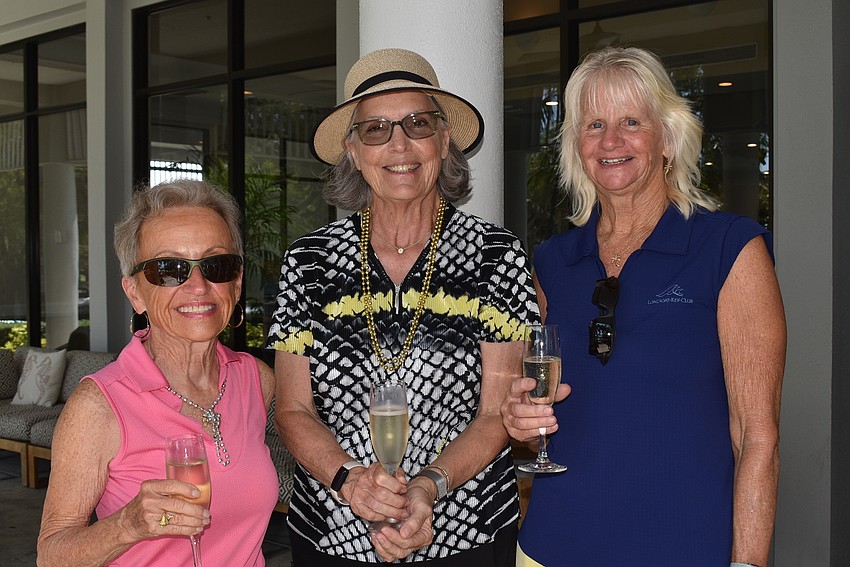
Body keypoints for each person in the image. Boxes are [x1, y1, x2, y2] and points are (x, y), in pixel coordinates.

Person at [501, 46, 786, 567]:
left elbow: (757, 436)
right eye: (594, 125)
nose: (611, 141)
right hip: (551, 549)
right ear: (576, 146)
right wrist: (518, 423)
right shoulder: (551, 261)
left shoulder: (729, 248)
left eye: (632, 121)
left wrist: (748, 563)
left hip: (684, 549)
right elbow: (533, 429)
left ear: (667, 139)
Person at [267, 47, 538, 565]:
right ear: (352, 149)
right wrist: (350, 481)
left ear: (443, 138)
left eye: (417, 123)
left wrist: (428, 487)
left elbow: (495, 414)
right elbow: (293, 409)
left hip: (466, 528)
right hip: (333, 533)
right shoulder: (308, 261)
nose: (399, 144)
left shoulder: (496, 255)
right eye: (375, 129)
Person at [37, 179, 279, 566]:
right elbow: (51, 555)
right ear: (134, 292)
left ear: (235, 283)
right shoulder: (99, 405)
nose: (198, 286)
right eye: (168, 270)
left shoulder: (256, 380)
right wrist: (127, 525)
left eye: (216, 265)